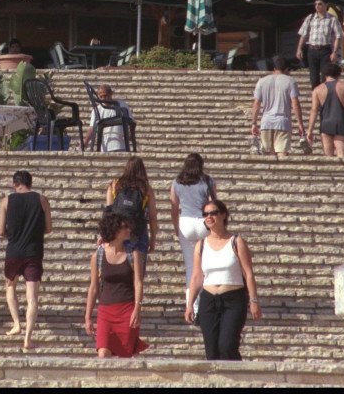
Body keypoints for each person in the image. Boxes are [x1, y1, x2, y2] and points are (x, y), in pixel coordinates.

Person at [184, 198, 262, 361]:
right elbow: (197, 276)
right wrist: (190, 304)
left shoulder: (236, 241)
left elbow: (248, 273)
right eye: (205, 214)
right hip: (209, 300)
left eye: (213, 213)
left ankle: (236, 374)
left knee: (227, 345)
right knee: (211, 350)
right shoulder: (201, 245)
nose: (209, 217)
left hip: (233, 299)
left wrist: (253, 300)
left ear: (223, 215)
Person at [0, 170, 52, 350]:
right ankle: (28, 337)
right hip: (33, 252)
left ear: (15, 184)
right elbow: (49, 228)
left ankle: (16, 324)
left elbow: (0, 231)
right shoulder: (42, 200)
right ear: (31, 183)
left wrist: (13, 235)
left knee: (10, 287)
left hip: (13, 251)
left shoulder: (6, 201)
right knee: (32, 297)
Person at [84, 210, 147, 358]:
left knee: (125, 356)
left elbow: (138, 283)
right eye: (124, 227)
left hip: (127, 310)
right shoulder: (98, 255)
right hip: (105, 311)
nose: (128, 230)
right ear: (114, 230)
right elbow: (93, 288)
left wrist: (137, 308)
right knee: (102, 353)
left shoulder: (134, 254)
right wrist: (87, 317)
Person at [170, 153, 216, 311]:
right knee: (205, 265)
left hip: (185, 223)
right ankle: (207, 303)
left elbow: (174, 207)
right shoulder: (207, 181)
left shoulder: (177, 182)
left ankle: (192, 307)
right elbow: (213, 204)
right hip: (203, 222)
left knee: (190, 266)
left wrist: (176, 227)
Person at [104, 157, 161, 272]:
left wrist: (105, 236)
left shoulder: (114, 185)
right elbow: (153, 218)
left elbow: (109, 213)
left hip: (117, 233)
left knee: (120, 271)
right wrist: (153, 240)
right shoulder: (146, 188)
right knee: (138, 275)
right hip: (138, 234)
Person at [250, 55, 307, 159]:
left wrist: (254, 123)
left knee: (268, 154)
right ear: (286, 69)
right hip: (283, 122)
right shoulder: (290, 81)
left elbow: (256, 104)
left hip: (266, 121)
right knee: (282, 153)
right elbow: (295, 103)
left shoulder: (261, 81)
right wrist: (300, 124)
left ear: (274, 68)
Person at [308, 62, 344, 159]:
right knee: (342, 156)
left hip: (325, 124)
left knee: (328, 157)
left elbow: (314, 110)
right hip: (341, 122)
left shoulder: (317, 90)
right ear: (338, 74)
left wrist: (310, 130)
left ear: (325, 74)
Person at [295, 0, 343, 91]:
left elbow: (338, 36)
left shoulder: (332, 19)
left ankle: (324, 96)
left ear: (326, 5)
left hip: (325, 50)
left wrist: (335, 52)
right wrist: (299, 49)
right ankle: (315, 96)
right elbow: (303, 34)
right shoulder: (310, 18)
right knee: (313, 78)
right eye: (316, 4)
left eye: (320, 4)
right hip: (312, 50)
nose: (317, 6)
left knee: (325, 76)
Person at [85, 84, 136, 153]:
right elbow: (92, 128)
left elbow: (131, 122)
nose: (103, 98)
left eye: (106, 96)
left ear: (111, 94)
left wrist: (130, 136)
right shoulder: (97, 110)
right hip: (104, 148)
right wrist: (85, 141)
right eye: (101, 97)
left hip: (120, 146)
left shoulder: (122, 105)